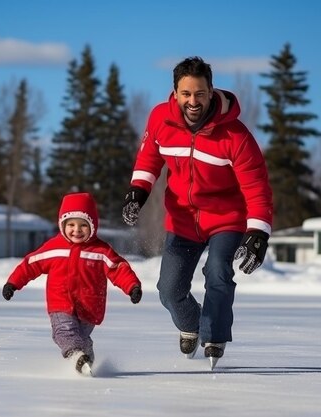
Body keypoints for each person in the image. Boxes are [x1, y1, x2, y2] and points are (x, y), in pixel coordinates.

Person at [122, 56, 272, 370]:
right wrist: (138, 192)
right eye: (186, 94)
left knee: (218, 273)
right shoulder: (160, 119)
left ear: (211, 92)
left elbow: (257, 187)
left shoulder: (236, 136)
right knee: (168, 289)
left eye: (200, 94)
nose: (193, 101)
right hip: (182, 220)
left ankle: (214, 336)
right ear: (175, 93)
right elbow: (149, 159)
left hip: (226, 220)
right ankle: (191, 323)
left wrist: (258, 233)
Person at [2, 192, 142, 375]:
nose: (77, 230)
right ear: (63, 224)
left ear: (93, 226)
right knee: (64, 332)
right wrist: (13, 283)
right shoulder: (54, 248)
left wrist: (132, 286)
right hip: (60, 303)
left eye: (83, 225)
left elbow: (118, 268)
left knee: (82, 337)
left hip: (89, 305)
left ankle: (87, 360)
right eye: (71, 225)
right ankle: (76, 357)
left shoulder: (101, 251)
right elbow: (31, 264)